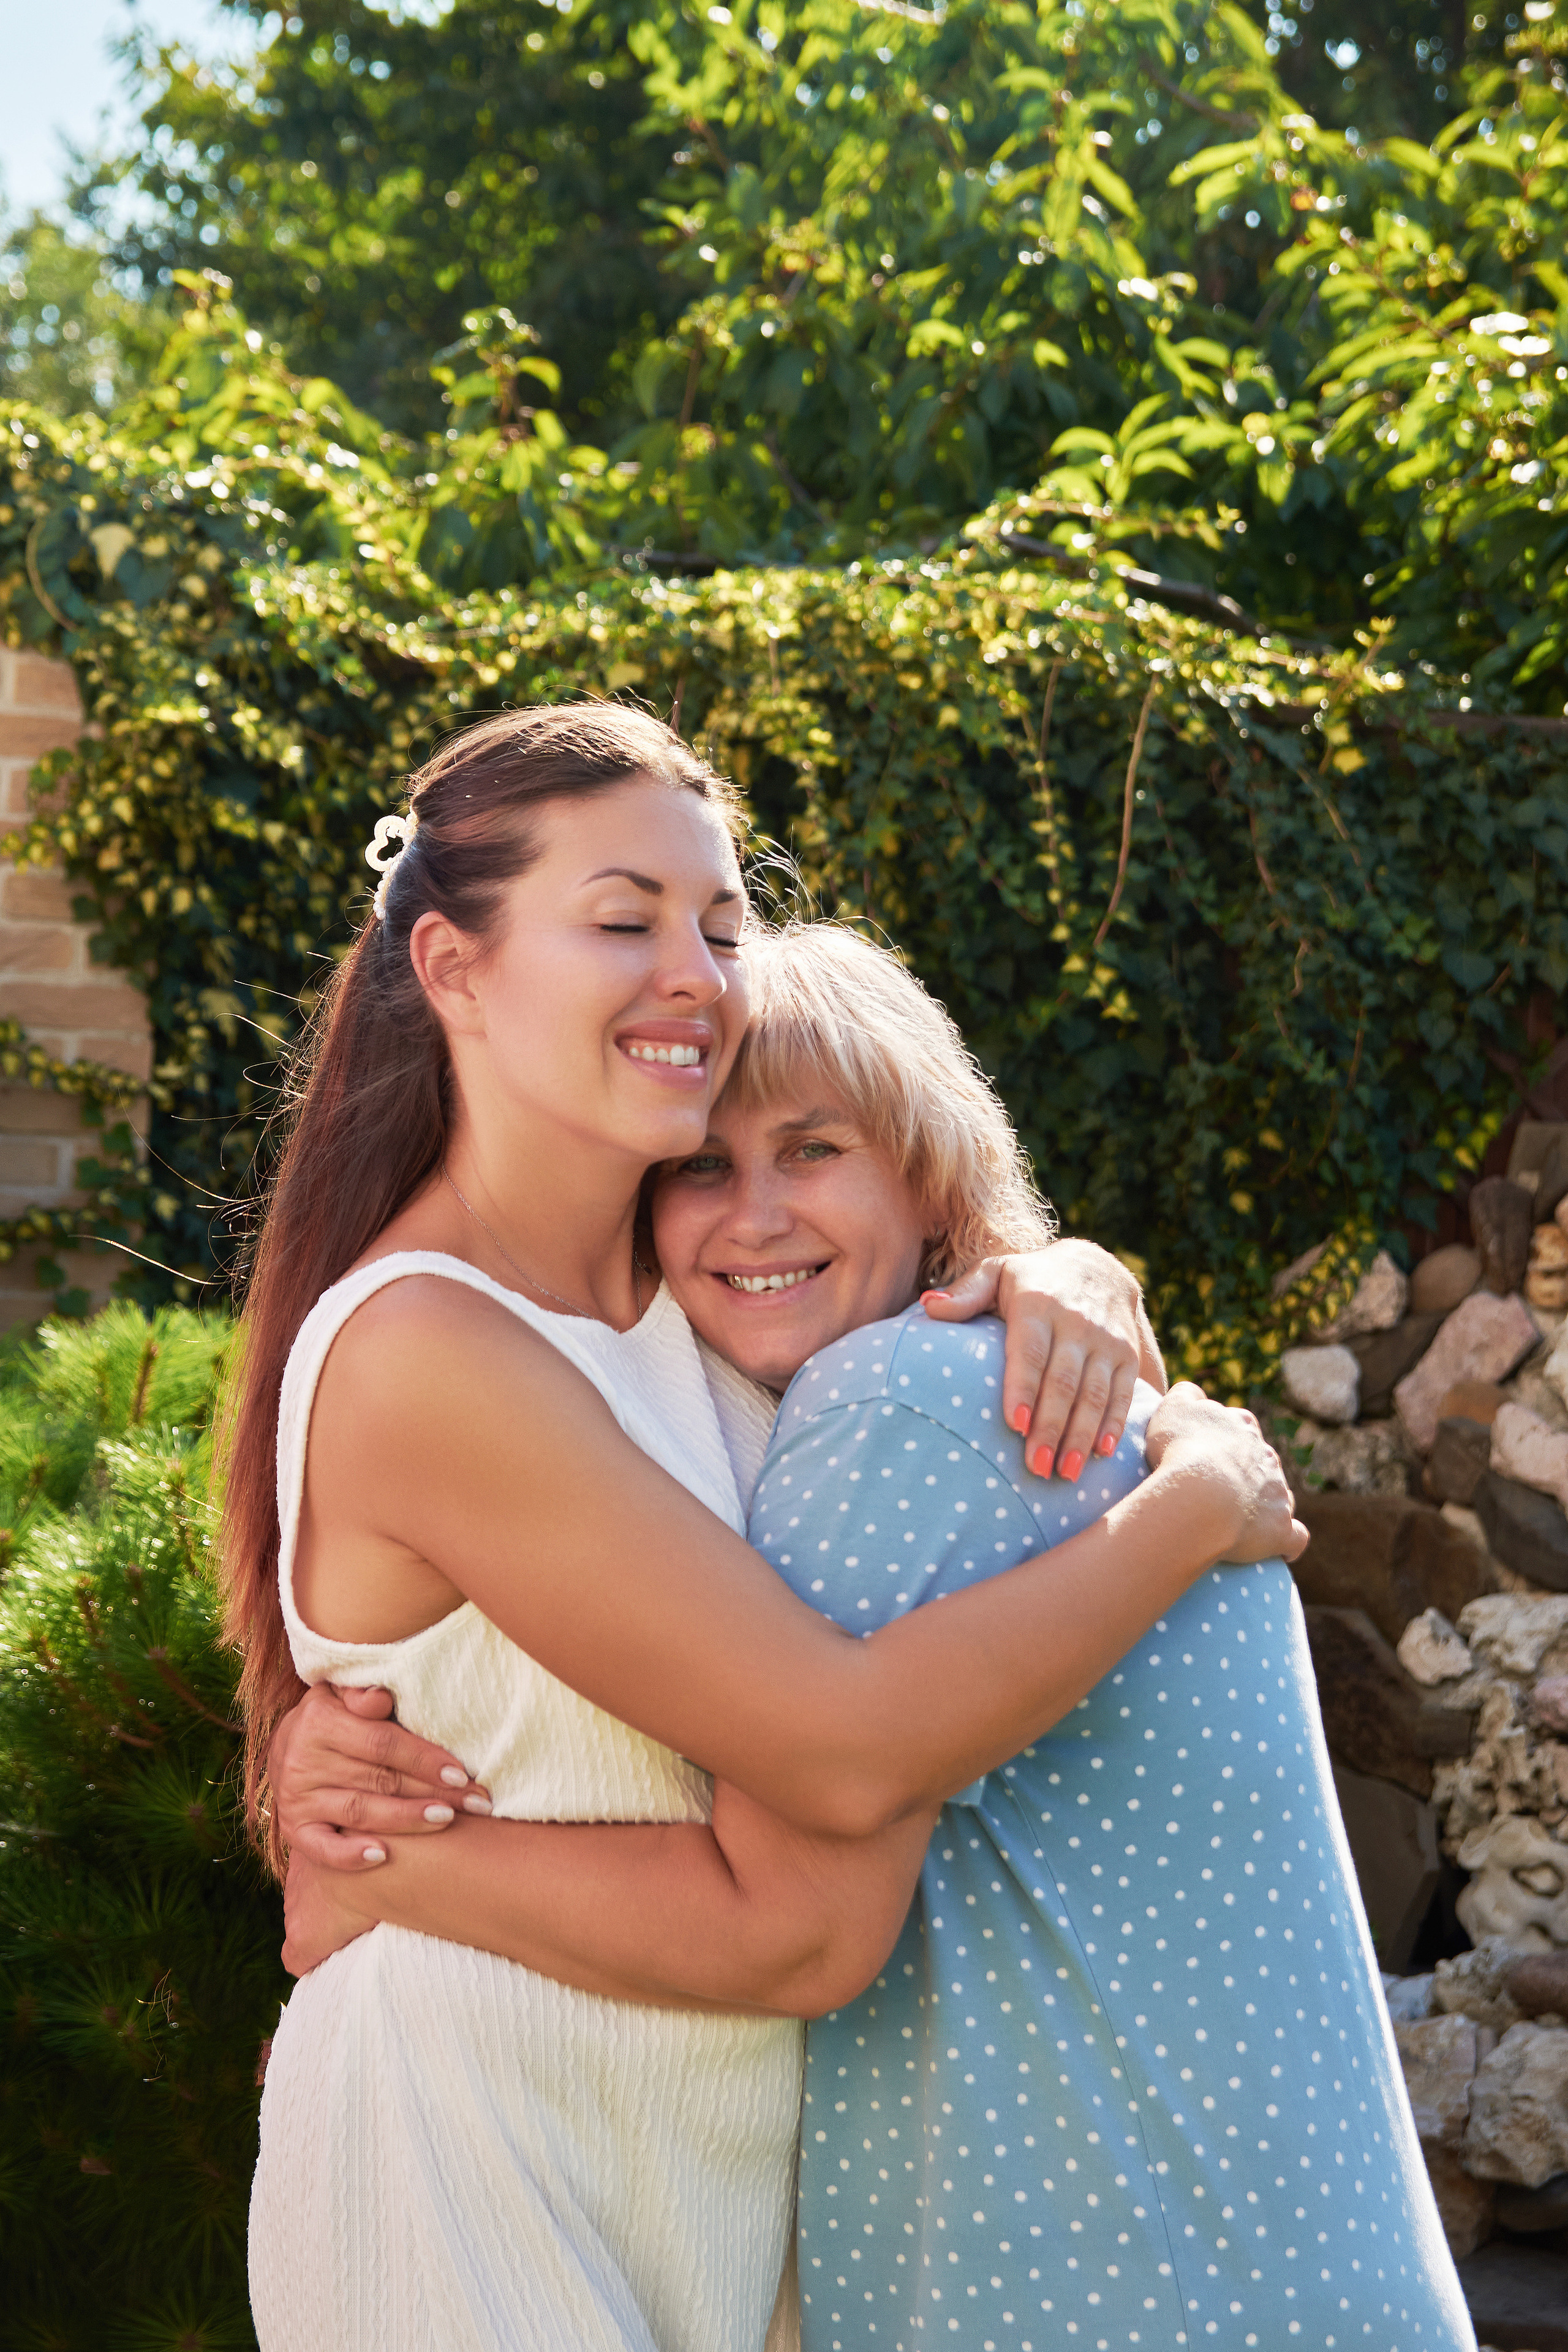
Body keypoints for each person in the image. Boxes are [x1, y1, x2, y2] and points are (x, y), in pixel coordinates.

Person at [276, 922, 1469, 2352]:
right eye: (699, 1168)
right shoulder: (942, 1398)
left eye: (814, 1150)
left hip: (1125, 2291)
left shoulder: (886, 1419)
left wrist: (395, 1865)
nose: (753, 1215)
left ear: (929, 1173)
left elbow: (802, 1899)